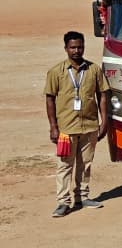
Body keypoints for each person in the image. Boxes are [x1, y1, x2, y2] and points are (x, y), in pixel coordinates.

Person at [44, 31, 110, 217]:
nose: (76, 50)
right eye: (72, 47)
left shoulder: (94, 70)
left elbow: (102, 95)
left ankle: (82, 196)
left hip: (89, 126)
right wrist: (53, 127)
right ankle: (63, 202)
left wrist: (104, 121)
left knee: (85, 164)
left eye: (80, 47)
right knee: (65, 165)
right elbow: (50, 99)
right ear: (65, 48)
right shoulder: (56, 72)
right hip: (66, 128)